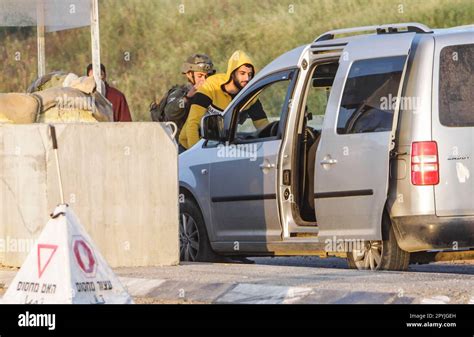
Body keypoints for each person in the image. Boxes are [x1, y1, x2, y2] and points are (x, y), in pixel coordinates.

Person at [178, 50, 268, 151]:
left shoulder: (250, 96)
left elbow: (263, 126)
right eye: (242, 73)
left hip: (218, 149)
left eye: (250, 74)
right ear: (232, 73)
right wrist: (195, 154)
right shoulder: (210, 86)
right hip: (189, 147)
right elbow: (192, 124)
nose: (247, 78)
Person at [150, 54, 215, 143]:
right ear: (189, 74)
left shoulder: (213, 93)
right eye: (200, 76)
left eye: (207, 76)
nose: (204, 80)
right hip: (180, 148)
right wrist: (187, 98)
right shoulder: (179, 93)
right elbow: (170, 112)